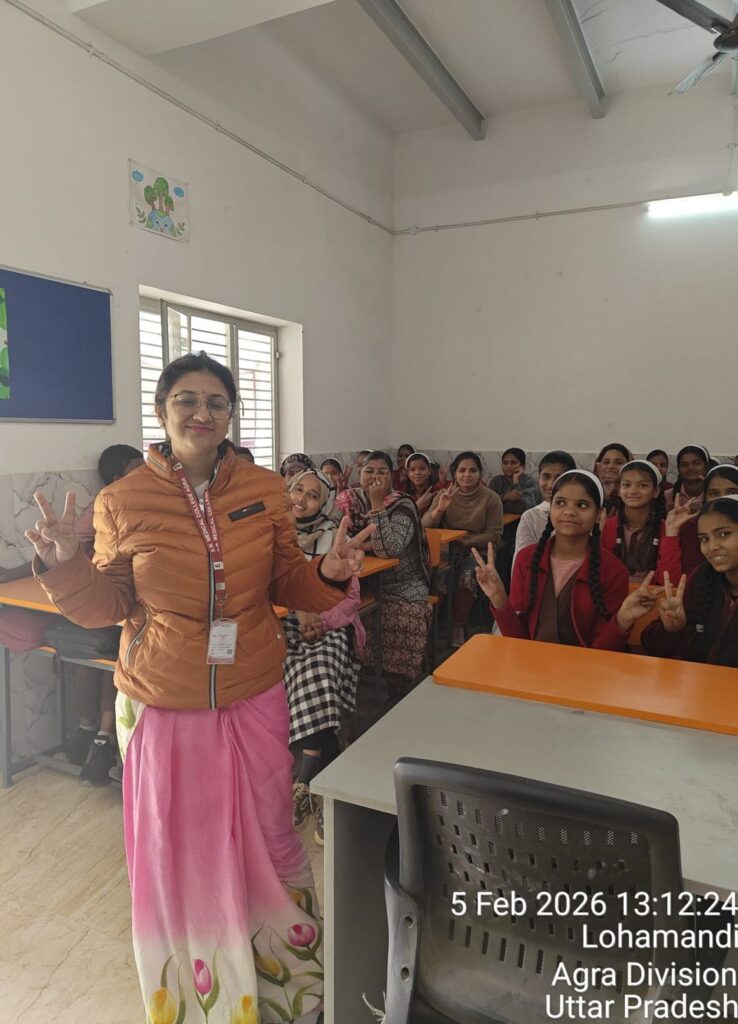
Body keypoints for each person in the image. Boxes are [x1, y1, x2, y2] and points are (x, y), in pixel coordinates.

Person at [28, 352, 369, 1024]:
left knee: (269, 838)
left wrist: (326, 573)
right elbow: (106, 606)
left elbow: (286, 582)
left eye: (216, 401)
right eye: (186, 399)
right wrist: (64, 566)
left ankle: (288, 989)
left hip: (254, 692)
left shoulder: (266, 488)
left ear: (231, 414)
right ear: (161, 411)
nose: (202, 412)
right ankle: (197, 999)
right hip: (162, 700)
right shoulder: (122, 500)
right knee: (178, 853)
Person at [473, 470, 659, 650]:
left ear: (598, 514)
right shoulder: (527, 559)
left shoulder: (613, 571)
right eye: (560, 503)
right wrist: (499, 598)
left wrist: (622, 620)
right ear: (550, 508)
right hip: (529, 663)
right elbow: (517, 640)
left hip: (584, 668)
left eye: (582, 505)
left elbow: (602, 654)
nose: (569, 511)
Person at [285, 469, 364, 845]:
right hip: (283, 626)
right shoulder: (272, 534)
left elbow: (351, 600)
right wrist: (298, 614)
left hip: (331, 627)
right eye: (297, 489)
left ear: (325, 503)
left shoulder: (335, 537)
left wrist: (319, 619)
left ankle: (304, 781)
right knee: (280, 670)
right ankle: (322, 790)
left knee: (318, 670)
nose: (302, 498)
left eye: (313, 495)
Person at [338, 450, 431, 696]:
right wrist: (362, 545)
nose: (374, 477)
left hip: (403, 582)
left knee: (406, 614)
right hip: (362, 580)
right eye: (369, 471)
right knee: (337, 613)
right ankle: (355, 674)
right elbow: (338, 539)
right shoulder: (349, 500)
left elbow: (388, 549)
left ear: (392, 477)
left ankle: (398, 680)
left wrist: (378, 505)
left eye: (382, 472)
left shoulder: (403, 504)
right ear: (360, 474)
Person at [641, 497, 738, 666]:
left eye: (724, 534)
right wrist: (673, 629)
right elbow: (651, 645)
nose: (712, 547)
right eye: (704, 539)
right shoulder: (704, 576)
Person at [422, 451, 503, 648]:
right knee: (438, 577)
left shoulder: (491, 498)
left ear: (480, 473)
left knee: (467, 577)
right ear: (455, 474)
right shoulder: (444, 494)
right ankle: (430, 626)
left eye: (472, 470)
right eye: (462, 470)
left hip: (476, 550)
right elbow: (424, 524)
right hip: (447, 549)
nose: (467, 475)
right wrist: (440, 509)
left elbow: (494, 534)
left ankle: (458, 625)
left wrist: (469, 541)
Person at [600, 460, 693, 585]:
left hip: (654, 595)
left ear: (656, 491)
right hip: (614, 595)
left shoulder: (666, 528)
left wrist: (671, 534)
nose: (633, 491)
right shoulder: (607, 526)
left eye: (642, 485)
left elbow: (670, 582)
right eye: (626, 485)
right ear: (619, 490)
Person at [513, 451, 577, 568]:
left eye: (559, 478)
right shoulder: (530, 517)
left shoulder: (580, 515)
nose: (551, 484)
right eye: (546, 476)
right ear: (539, 477)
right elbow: (521, 565)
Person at [488, 448, 541, 515]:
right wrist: (504, 497)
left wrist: (515, 482)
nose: (508, 466)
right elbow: (488, 504)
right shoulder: (496, 481)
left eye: (513, 463)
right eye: (505, 463)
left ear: (523, 466)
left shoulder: (530, 481)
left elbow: (521, 509)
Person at [667, 445, 712, 510]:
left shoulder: (714, 494)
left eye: (697, 463)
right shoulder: (667, 496)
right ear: (678, 469)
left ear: (706, 466)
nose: (690, 468)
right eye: (684, 465)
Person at [593, 443, 632, 515]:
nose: (611, 466)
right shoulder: (590, 492)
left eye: (618, 463)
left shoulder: (633, 494)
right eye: (606, 462)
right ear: (598, 466)